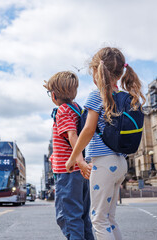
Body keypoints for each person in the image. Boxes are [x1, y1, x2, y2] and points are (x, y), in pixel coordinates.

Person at [67, 47, 145, 240]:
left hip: (103, 163)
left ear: (97, 70)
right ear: (120, 73)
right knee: (110, 219)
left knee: (99, 220)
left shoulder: (97, 95)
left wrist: (73, 158)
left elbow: (88, 129)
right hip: (120, 163)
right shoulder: (126, 97)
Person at [44, 71, 94, 240]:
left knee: (67, 217)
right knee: (82, 218)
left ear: (54, 95)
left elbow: (73, 137)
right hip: (79, 173)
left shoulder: (63, 111)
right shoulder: (76, 108)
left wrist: (78, 161)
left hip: (68, 172)